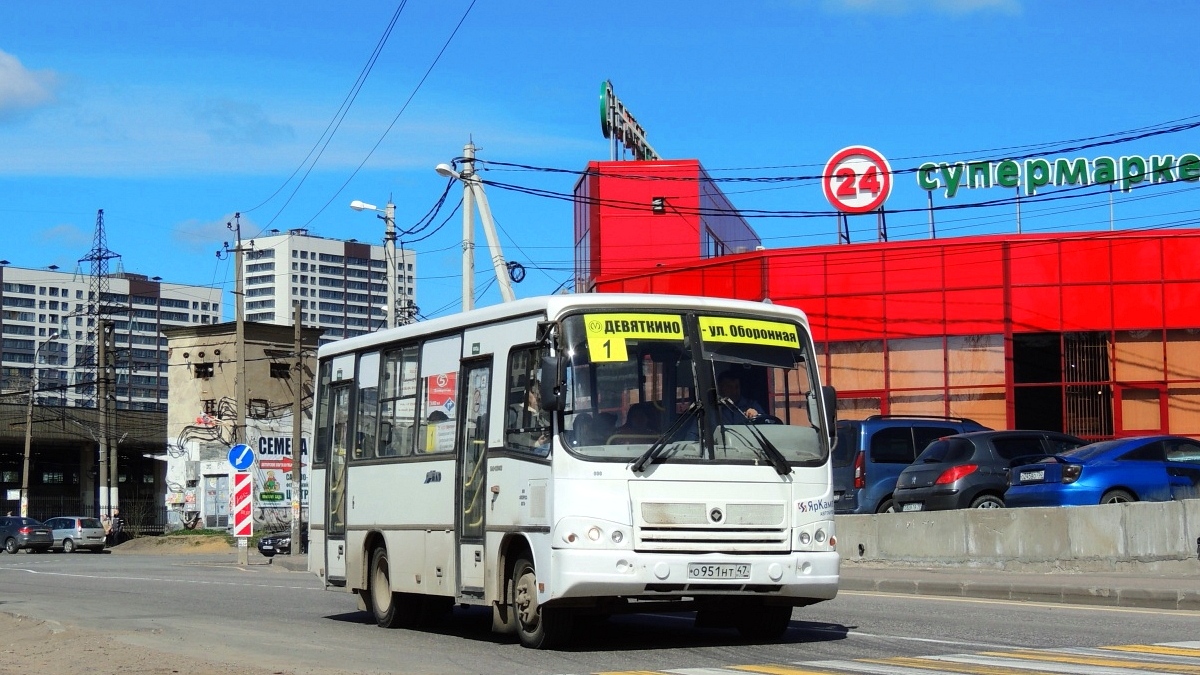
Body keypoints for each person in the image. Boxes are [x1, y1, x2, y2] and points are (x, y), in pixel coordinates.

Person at [506, 381, 550, 453]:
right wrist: (537, 444)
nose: (538, 397)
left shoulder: (543, 414)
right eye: (534, 393)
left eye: (540, 394)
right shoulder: (516, 413)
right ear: (527, 393)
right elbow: (517, 441)